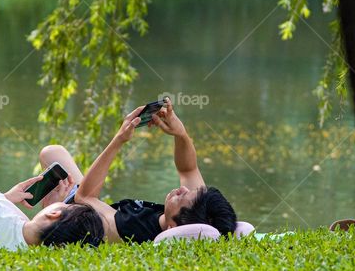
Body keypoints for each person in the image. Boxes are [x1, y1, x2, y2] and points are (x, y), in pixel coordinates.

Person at [50, 99, 238, 243]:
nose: (182, 190)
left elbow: (85, 197)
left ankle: (51, 207)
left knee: (51, 155)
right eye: (189, 191)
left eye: (181, 198)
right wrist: (180, 134)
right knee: (54, 153)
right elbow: (188, 169)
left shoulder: (131, 229)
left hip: (71, 216)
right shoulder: (195, 211)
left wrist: (119, 140)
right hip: (94, 207)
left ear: (172, 228)